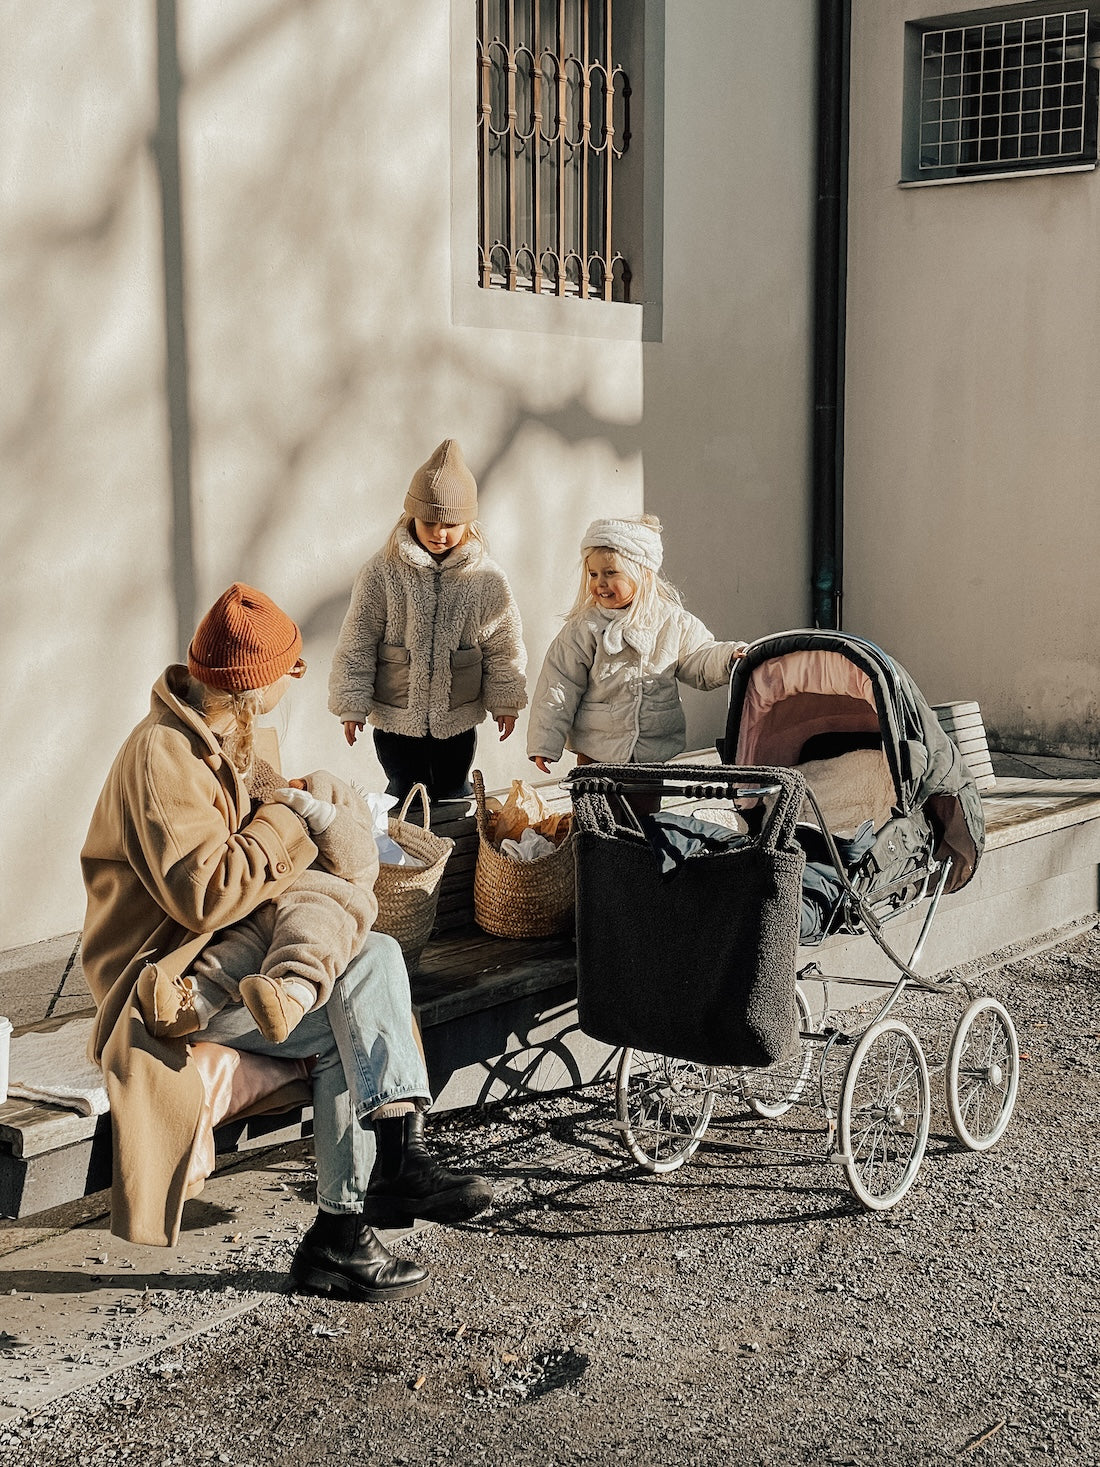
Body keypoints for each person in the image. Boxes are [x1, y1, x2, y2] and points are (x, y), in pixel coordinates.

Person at [81, 582, 493, 1302]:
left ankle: (360, 1207)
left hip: (243, 961)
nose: (295, 678)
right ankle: (371, 1190)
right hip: (173, 984)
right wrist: (298, 819)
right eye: (287, 667)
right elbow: (204, 894)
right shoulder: (162, 757)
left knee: (366, 972)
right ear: (251, 685)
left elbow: (268, 853)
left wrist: (310, 805)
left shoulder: (233, 736)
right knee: (364, 984)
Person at [328, 438, 526, 803]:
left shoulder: (486, 578)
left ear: (468, 521)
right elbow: (358, 639)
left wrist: (505, 700)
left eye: (450, 523)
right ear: (412, 515)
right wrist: (352, 704)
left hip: (457, 720)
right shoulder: (382, 572)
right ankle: (409, 855)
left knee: (454, 792)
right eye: (429, 521)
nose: (439, 532)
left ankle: (453, 856)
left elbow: (503, 645)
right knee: (404, 795)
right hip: (397, 717)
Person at [134, 764, 381, 1047]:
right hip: (270, 903)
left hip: (318, 901)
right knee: (233, 952)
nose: (297, 786)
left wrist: (318, 813)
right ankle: (188, 1003)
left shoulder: (344, 854)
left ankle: (290, 998)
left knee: (308, 941)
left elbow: (358, 856)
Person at [526, 514, 748, 777]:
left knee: (643, 816)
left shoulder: (671, 621)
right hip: (597, 750)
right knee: (596, 814)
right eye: (593, 574)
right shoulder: (585, 628)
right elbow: (559, 684)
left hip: (651, 751)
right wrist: (544, 741)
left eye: (610, 573)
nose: (600, 583)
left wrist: (728, 658)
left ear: (641, 574)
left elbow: (699, 656)